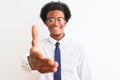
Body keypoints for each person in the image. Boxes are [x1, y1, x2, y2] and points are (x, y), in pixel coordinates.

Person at [22, 1, 91, 80]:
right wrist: (31, 62)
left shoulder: (78, 48)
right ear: (46, 23)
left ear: (65, 22)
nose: (55, 24)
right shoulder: (39, 47)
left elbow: (86, 76)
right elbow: (26, 65)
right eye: (51, 20)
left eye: (60, 19)